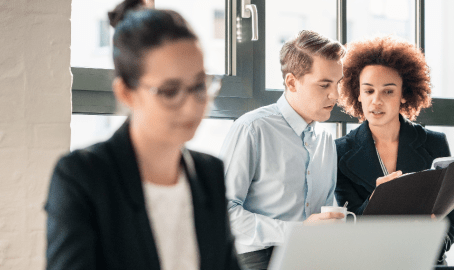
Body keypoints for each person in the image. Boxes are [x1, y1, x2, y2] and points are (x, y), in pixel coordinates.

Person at [44, 1, 240, 269]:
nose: (192, 105)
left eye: (198, 86)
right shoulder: (82, 177)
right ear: (126, 93)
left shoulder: (209, 173)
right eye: (170, 91)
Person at [219, 30, 346, 270]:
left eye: (338, 83)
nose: (336, 95)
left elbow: (326, 209)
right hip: (257, 259)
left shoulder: (326, 140)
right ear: (291, 82)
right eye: (324, 85)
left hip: (312, 258)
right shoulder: (252, 129)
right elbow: (222, 213)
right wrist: (296, 232)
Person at [335, 35, 454, 265]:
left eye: (388, 91)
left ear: (404, 94)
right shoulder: (340, 152)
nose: (376, 101)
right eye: (369, 91)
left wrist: (429, 239)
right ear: (357, 94)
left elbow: (450, 224)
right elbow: (349, 228)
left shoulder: (435, 143)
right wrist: (375, 201)